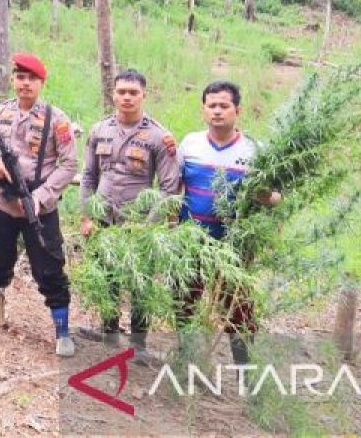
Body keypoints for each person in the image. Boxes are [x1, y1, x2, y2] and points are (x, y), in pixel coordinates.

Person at [0, 53, 81, 356]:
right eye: (20, 77)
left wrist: (41, 197)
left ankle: (62, 331)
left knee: (49, 265)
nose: (25, 84)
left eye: (31, 79)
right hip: (2, 199)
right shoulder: (0, 112)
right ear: (13, 80)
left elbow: (69, 164)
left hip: (38, 204)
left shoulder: (57, 120)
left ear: (41, 83)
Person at [78, 69, 181, 358]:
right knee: (106, 276)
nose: (127, 97)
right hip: (103, 218)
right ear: (113, 94)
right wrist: (86, 216)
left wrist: (149, 227)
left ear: (144, 95)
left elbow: (169, 187)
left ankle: (139, 345)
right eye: (121, 91)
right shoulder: (100, 130)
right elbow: (88, 176)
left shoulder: (159, 136)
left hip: (139, 222)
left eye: (133, 92)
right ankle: (109, 332)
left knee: (140, 283)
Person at [176, 80, 280, 364]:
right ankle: (186, 364)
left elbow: (277, 197)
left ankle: (245, 371)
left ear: (238, 110)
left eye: (224, 105)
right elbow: (174, 188)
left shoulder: (255, 150)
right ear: (203, 110)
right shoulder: (190, 144)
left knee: (238, 309)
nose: (217, 111)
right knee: (184, 303)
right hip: (192, 242)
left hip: (233, 247)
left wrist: (266, 197)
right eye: (212, 106)